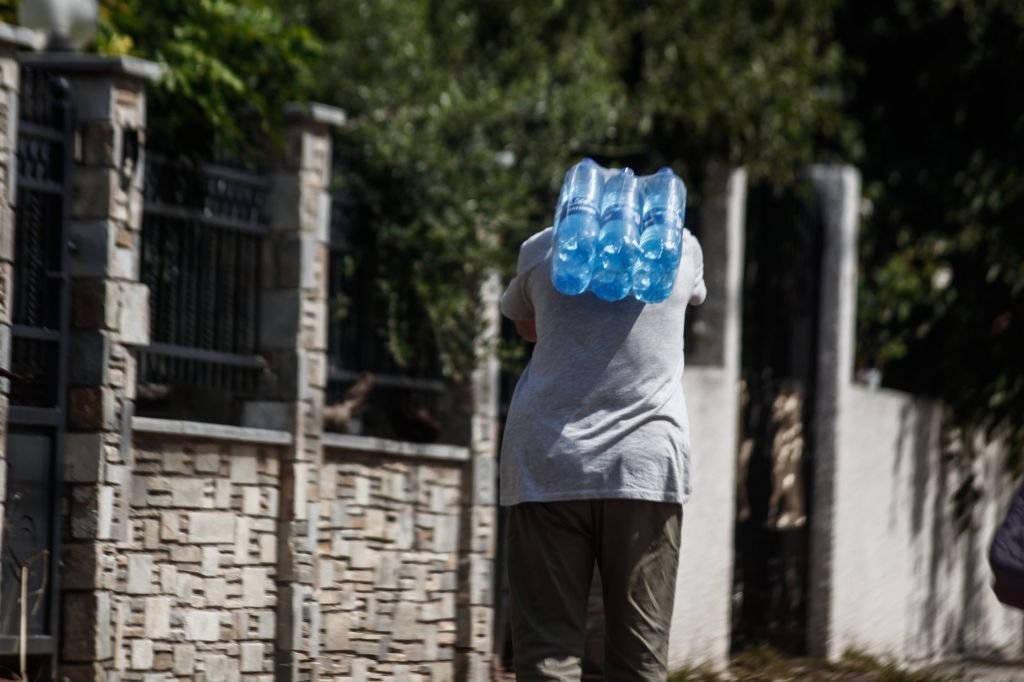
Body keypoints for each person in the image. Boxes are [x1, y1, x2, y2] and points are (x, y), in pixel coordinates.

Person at [499, 223, 707, 681]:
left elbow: (527, 326)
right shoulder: (680, 247)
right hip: (645, 466)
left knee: (547, 653)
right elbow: (691, 300)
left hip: (549, 462)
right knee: (639, 658)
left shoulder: (543, 247)